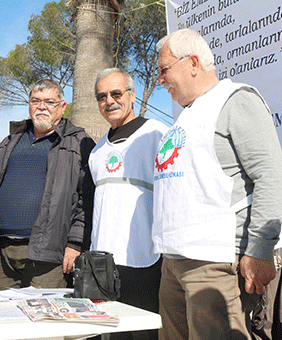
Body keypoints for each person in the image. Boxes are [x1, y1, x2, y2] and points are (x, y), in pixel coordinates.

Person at [152, 28, 282, 339]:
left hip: (214, 263)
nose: (160, 79)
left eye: (164, 70)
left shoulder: (235, 100)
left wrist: (260, 248)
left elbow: (270, 174)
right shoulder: (187, 115)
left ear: (194, 62)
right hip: (174, 260)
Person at [0, 79, 95, 291]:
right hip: (5, 251)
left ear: (62, 106)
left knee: (44, 319)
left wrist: (75, 244)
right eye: (36, 101)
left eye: (49, 101)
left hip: (49, 254)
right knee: (2, 318)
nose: (42, 106)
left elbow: (86, 200)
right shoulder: (9, 141)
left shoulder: (79, 143)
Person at [89, 68, 168, 340]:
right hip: (103, 266)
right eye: (102, 96)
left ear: (132, 96)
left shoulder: (158, 134)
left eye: (116, 93)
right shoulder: (97, 151)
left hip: (145, 262)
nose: (109, 101)